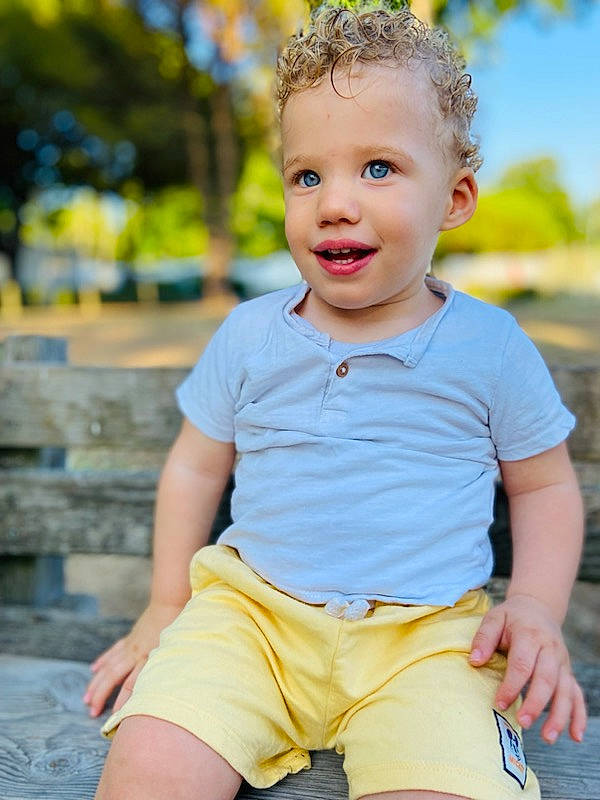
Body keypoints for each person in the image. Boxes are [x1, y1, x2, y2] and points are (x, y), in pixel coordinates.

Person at [89, 4, 587, 799]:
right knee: (150, 768)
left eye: (379, 168)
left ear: (455, 197)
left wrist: (533, 605)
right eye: (307, 176)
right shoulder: (251, 335)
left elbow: (545, 486)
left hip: (429, 643)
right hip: (250, 624)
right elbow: (194, 467)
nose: (334, 203)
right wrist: (165, 603)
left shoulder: (490, 346)